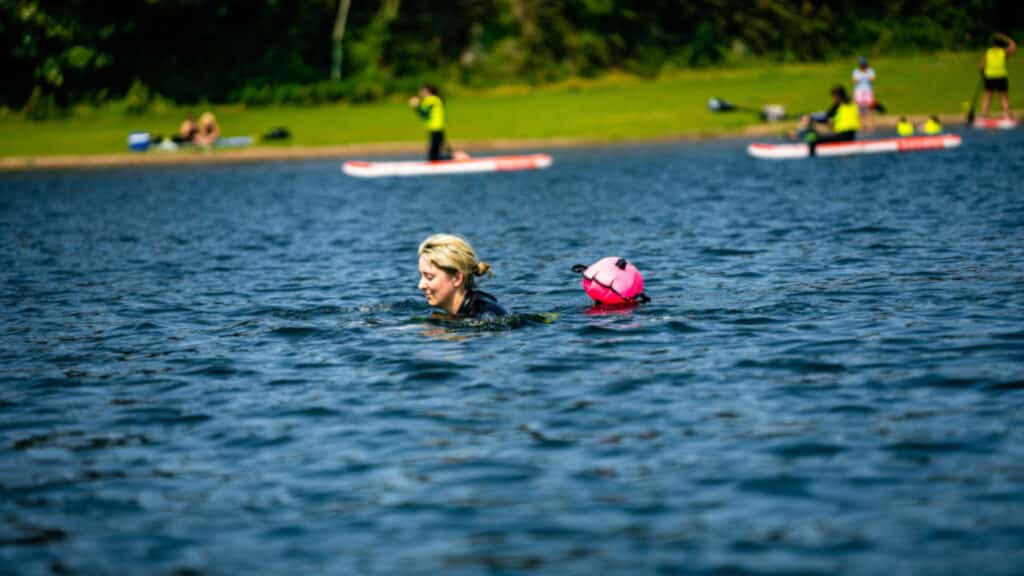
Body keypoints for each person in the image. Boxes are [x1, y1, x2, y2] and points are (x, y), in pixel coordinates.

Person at [417, 233, 506, 319]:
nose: (420, 286)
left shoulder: (484, 315)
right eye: (421, 276)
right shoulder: (474, 306)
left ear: (457, 278)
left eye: (429, 277)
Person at [790, 85, 860, 147]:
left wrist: (811, 118)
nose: (833, 99)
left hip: (841, 137)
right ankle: (801, 137)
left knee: (813, 136)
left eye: (833, 97)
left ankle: (805, 144)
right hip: (851, 136)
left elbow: (825, 118)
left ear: (837, 96)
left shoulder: (838, 106)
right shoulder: (852, 104)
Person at [980, 33, 1017, 120]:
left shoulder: (988, 53)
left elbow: (981, 66)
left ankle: (983, 115)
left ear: (993, 44)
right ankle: (1007, 115)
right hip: (1001, 76)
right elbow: (1013, 46)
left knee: (987, 96)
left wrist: (982, 72)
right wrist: (1004, 38)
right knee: (1003, 97)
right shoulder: (1003, 52)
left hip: (989, 77)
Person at [409, 85, 451, 161]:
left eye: (422, 91)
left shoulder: (431, 100)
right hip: (436, 127)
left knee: (433, 153)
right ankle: (454, 157)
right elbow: (424, 114)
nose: (420, 93)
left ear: (428, 91)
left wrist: (416, 106)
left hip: (435, 127)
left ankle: (455, 157)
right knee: (440, 148)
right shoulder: (434, 99)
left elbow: (424, 113)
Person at [852, 56, 877, 130]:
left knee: (870, 108)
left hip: (868, 90)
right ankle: (861, 125)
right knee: (859, 109)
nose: (863, 66)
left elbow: (872, 79)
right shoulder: (856, 71)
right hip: (859, 91)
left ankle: (871, 125)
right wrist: (864, 76)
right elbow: (855, 80)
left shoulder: (870, 71)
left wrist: (863, 76)